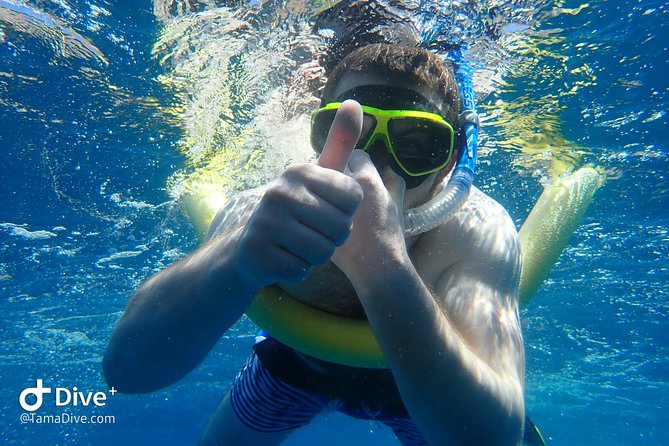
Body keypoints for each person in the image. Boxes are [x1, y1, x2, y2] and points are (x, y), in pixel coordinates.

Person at [104, 43, 527, 445]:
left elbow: (491, 440)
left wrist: (382, 265)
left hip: (426, 397)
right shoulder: (267, 212)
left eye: (415, 144)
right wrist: (238, 257)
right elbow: (127, 372)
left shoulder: (473, 230)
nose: (374, 166)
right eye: (352, 133)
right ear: (320, 136)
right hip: (294, 369)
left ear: (450, 161)